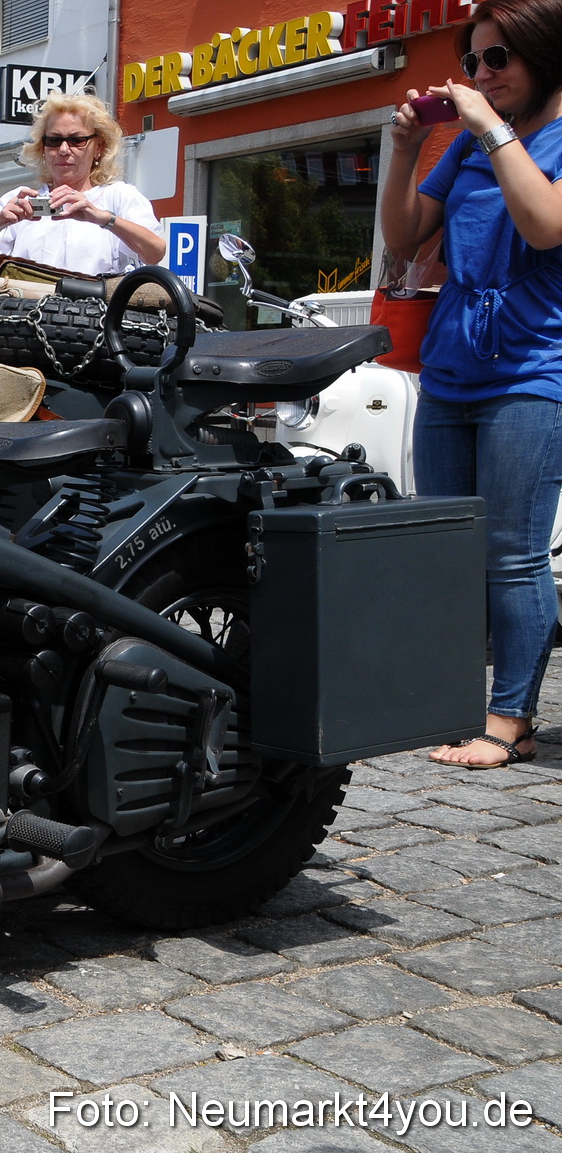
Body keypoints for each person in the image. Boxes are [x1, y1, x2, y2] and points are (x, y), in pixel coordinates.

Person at [381, 0, 562, 768]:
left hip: (532, 367)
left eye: (497, 60)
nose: (480, 76)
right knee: (447, 548)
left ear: (544, 55)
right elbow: (400, 236)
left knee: (512, 550)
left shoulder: (545, 136)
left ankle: (509, 715)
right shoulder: (465, 143)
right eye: (473, 63)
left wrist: (485, 124)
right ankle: (451, 699)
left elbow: (543, 224)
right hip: (452, 365)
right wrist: (406, 148)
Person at [0, 93, 166, 276]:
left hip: (97, 312)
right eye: (53, 140)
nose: (63, 149)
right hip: (28, 311)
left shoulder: (119, 196)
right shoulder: (20, 200)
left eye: (77, 140)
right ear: (42, 147)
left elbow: (155, 253)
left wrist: (103, 218)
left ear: (99, 147)